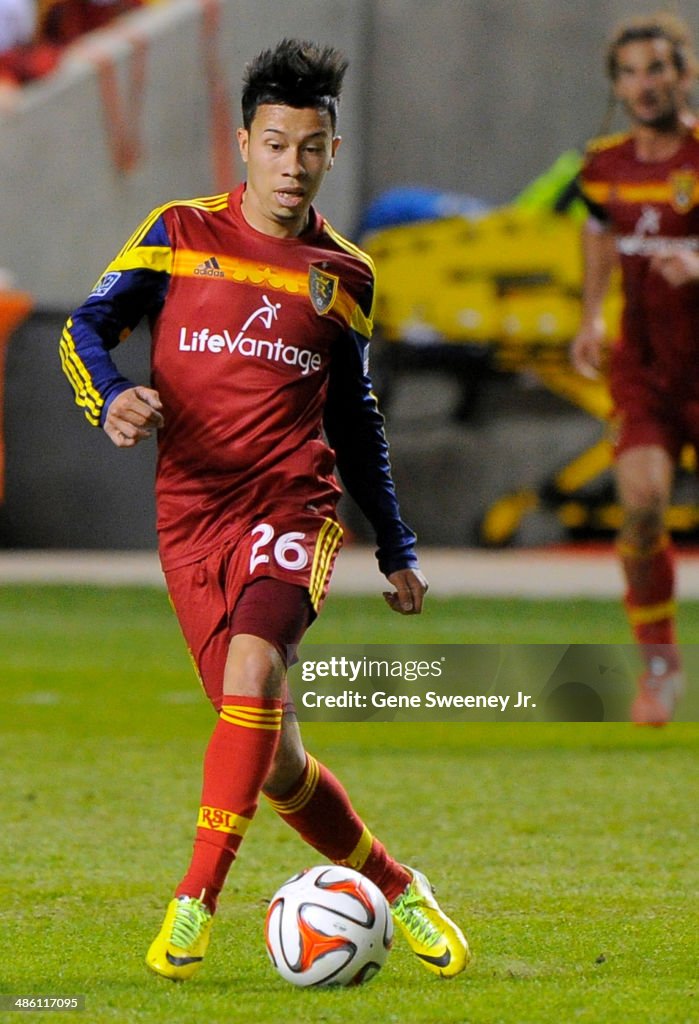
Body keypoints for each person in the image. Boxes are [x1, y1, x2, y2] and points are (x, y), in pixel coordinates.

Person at [59, 38, 470, 981]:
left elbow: (353, 417)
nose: (293, 165)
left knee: (253, 675)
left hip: (294, 502)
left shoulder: (346, 275)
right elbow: (88, 327)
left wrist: (394, 544)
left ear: (332, 150)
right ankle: (399, 888)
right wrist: (112, 396)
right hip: (191, 515)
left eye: (311, 146)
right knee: (275, 758)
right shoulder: (177, 231)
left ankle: (194, 902)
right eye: (276, 144)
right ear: (244, 143)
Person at [571, 13, 699, 726]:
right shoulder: (603, 164)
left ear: (684, 72)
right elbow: (597, 234)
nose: (642, 85)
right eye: (629, 72)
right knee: (643, 508)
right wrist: (590, 316)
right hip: (644, 371)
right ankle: (659, 669)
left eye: (656, 68)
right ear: (616, 85)